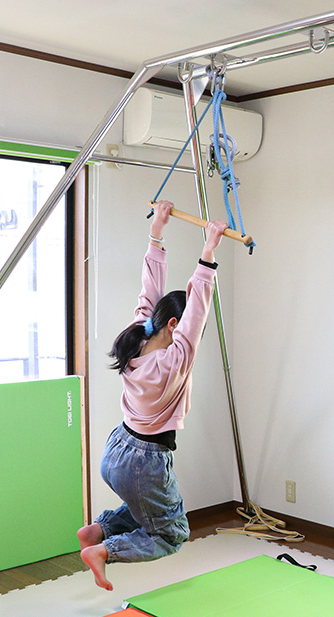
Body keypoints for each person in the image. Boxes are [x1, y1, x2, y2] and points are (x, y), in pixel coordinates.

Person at [77, 200, 227, 591]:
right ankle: (103, 550)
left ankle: (98, 529)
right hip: (145, 462)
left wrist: (157, 231)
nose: (193, 335)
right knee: (172, 532)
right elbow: (198, 309)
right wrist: (208, 250)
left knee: (152, 507)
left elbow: (150, 290)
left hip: (116, 450)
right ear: (174, 325)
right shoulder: (174, 360)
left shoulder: (136, 338)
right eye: (187, 329)